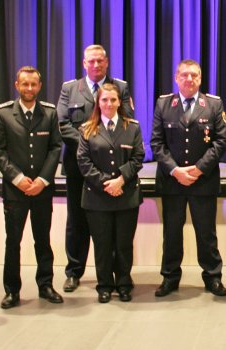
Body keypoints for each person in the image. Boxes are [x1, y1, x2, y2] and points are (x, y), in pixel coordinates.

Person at [57, 44, 133, 293]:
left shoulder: (119, 87)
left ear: (107, 62)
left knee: (112, 224)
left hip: (112, 171)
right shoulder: (70, 89)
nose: (96, 65)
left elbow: (128, 122)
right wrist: (89, 142)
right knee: (76, 221)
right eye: (91, 61)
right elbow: (62, 124)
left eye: (100, 61)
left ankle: (115, 275)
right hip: (79, 167)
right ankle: (74, 271)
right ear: (84, 63)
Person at [151, 59, 226, 297]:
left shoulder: (213, 104)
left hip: (202, 181)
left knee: (206, 233)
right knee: (171, 233)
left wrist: (198, 170)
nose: (189, 79)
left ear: (200, 78)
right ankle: (170, 277)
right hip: (172, 180)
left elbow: (221, 142)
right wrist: (176, 170)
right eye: (184, 75)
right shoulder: (164, 104)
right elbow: (156, 142)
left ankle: (213, 277)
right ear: (176, 78)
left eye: (194, 75)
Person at [0, 66, 64, 309]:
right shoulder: (3, 113)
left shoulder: (50, 113)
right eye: (25, 84)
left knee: (42, 240)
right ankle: (12, 291)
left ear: (40, 86)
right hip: (15, 191)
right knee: (13, 241)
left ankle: (45, 285)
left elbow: (55, 147)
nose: (29, 89)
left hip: (42, 190)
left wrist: (43, 180)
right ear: (17, 85)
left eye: (33, 84)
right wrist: (17, 178)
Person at [77, 83, 144, 303]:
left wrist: (121, 180)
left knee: (124, 244)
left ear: (119, 102)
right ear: (98, 102)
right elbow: (84, 163)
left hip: (126, 195)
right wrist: (108, 183)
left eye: (113, 100)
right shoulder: (87, 129)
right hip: (98, 197)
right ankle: (104, 285)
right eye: (104, 100)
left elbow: (137, 158)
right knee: (103, 244)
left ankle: (124, 283)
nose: (109, 104)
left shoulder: (132, 127)